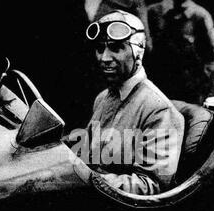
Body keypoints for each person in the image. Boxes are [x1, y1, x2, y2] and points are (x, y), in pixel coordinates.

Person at [71, 10, 184, 196]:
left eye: (116, 48)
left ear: (138, 51)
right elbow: (86, 155)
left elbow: (153, 186)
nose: (104, 58)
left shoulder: (158, 110)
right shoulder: (102, 99)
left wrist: (90, 179)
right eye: (100, 49)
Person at [147, 0, 214, 104]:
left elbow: (211, 57)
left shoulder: (199, 15)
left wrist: (204, 88)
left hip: (188, 85)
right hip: (160, 81)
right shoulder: (154, 12)